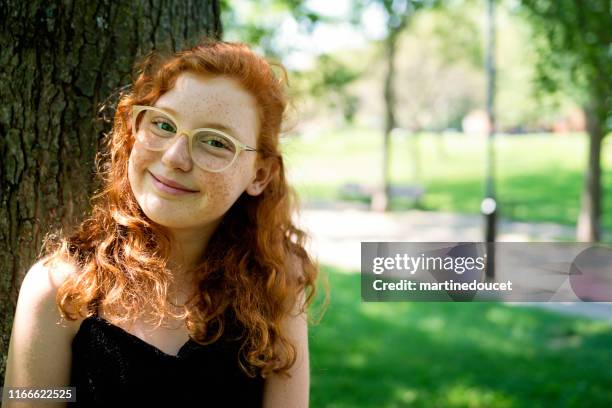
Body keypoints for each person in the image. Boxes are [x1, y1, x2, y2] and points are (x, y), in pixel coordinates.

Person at [4, 39, 323, 407]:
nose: (174, 157)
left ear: (260, 175)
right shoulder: (58, 288)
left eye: (216, 143)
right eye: (163, 124)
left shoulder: (277, 289)